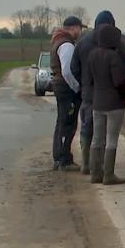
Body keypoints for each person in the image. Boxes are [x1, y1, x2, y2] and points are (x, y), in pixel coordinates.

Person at [71, 10, 117, 174]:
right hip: (107, 93)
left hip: (87, 93)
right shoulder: (113, 42)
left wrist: (83, 83)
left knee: (86, 127)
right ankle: (101, 165)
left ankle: (86, 164)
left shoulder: (83, 42)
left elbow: (73, 67)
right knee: (103, 130)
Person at [87, 24, 125, 185]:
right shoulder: (113, 56)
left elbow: (89, 79)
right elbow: (119, 81)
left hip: (97, 102)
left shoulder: (92, 55)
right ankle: (109, 175)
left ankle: (95, 174)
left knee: (97, 139)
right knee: (112, 139)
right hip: (113, 103)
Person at [50, 16, 85, 171]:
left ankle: (59, 156)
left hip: (59, 86)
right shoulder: (67, 44)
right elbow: (67, 71)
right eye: (79, 28)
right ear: (73, 28)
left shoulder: (58, 40)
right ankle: (64, 159)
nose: (80, 31)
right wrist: (77, 87)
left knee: (61, 121)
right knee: (68, 123)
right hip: (66, 88)